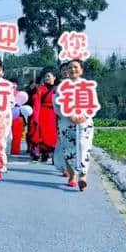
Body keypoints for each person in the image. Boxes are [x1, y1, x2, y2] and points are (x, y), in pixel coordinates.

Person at [53, 60, 96, 191]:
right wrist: (68, 115)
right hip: (67, 122)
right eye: (70, 68)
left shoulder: (88, 87)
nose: (72, 70)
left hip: (84, 123)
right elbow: (57, 105)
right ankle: (72, 176)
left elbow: (93, 104)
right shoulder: (61, 88)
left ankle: (82, 177)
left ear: (81, 70)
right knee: (68, 150)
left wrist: (85, 116)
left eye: (76, 67)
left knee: (84, 147)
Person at [31, 69, 58, 163]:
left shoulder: (58, 89)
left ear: (54, 77)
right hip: (43, 113)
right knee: (42, 134)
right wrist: (36, 116)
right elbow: (36, 103)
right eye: (46, 76)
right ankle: (44, 153)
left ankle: (54, 154)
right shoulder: (40, 89)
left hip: (54, 113)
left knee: (53, 135)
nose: (47, 78)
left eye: (49, 76)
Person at [53, 62, 70, 177]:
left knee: (74, 144)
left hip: (78, 120)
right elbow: (56, 104)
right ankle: (64, 167)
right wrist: (62, 115)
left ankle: (73, 168)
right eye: (63, 70)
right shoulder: (59, 87)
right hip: (63, 118)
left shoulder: (80, 85)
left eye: (67, 69)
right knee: (63, 142)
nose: (66, 71)